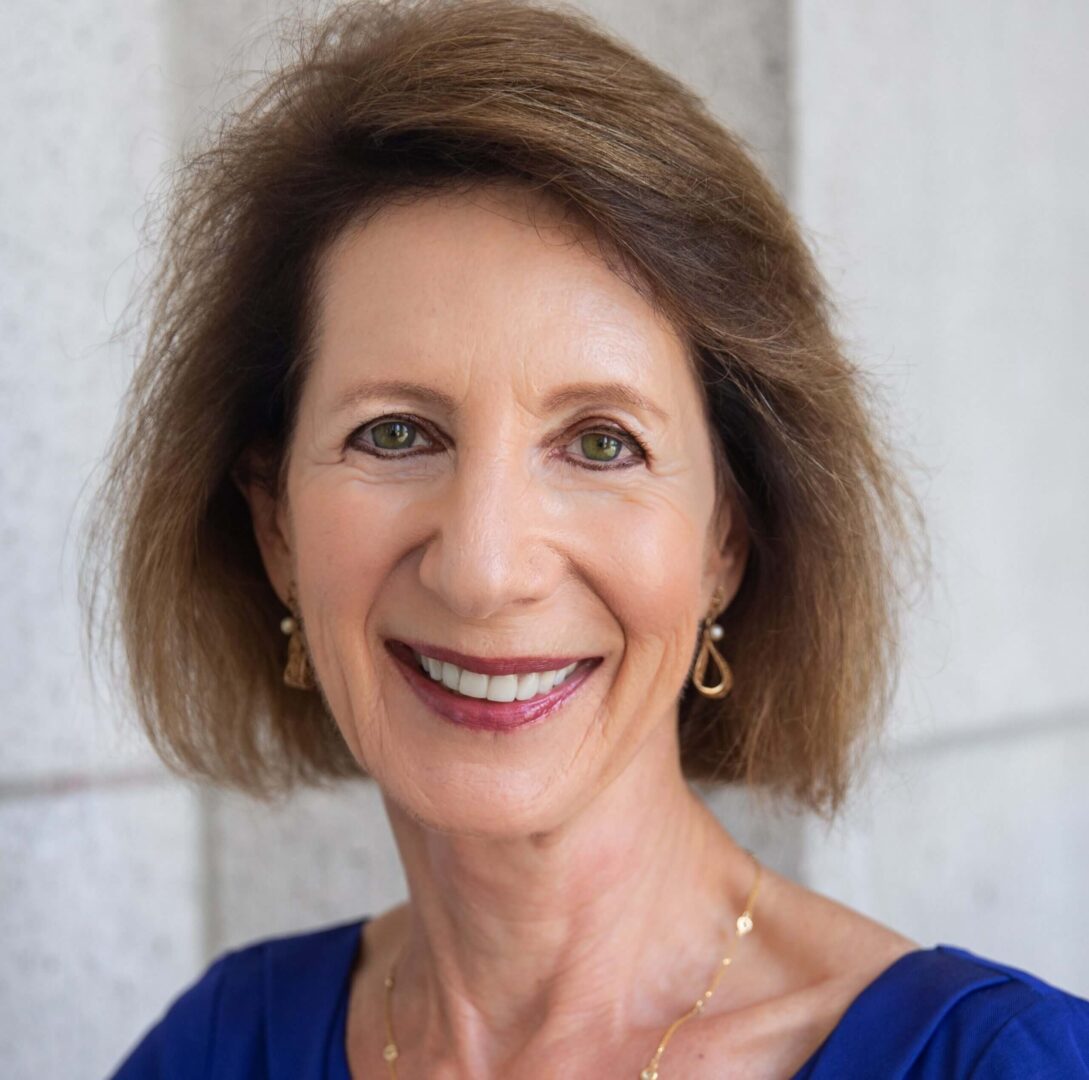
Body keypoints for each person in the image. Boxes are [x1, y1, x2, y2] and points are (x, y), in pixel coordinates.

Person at [87, 0, 1089, 1076]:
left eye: (602, 444)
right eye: (395, 432)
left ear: (727, 544)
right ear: (276, 527)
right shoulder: (218, 1048)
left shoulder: (1001, 1061)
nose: (484, 568)